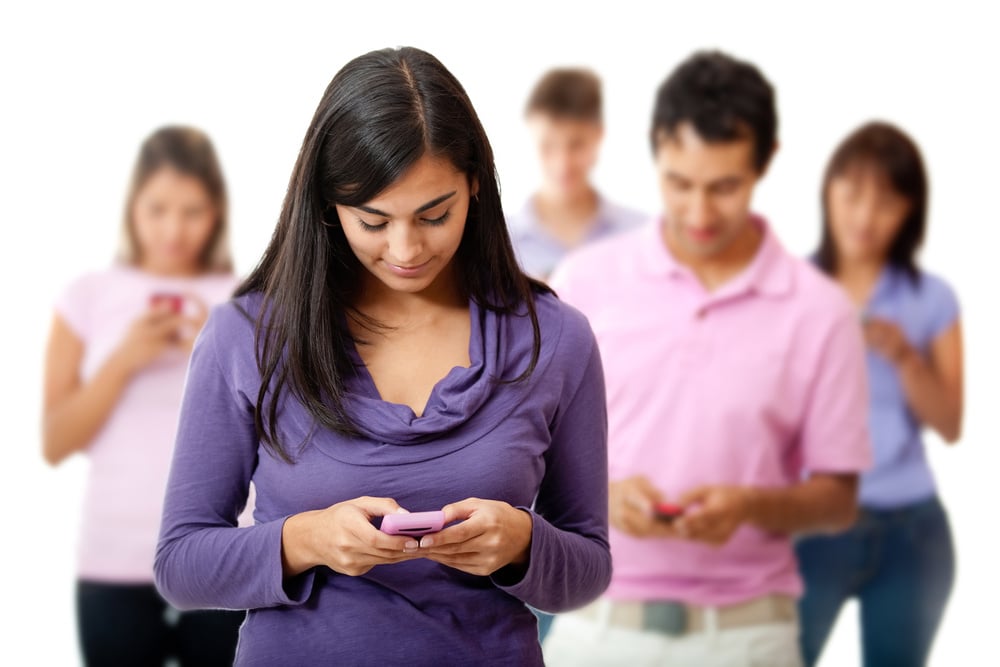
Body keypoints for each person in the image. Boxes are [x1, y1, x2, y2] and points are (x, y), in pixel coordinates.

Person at [153, 46, 611, 666]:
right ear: (327, 205)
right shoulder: (247, 337)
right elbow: (180, 564)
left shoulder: (555, 339)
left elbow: (589, 568)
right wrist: (305, 540)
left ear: (475, 183)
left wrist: (523, 542)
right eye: (373, 221)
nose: (406, 249)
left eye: (434, 214)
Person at [543, 51, 873, 667]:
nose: (698, 213)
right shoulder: (583, 281)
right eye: (679, 183)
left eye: (724, 187)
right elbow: (525, 454)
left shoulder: (820, 310)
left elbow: (838, 498)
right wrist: (601, 498)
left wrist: (750, 507)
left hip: (749, 638)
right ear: (654, 154)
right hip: (595, 630)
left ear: (766, 162)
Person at [42, 126, 245, 665]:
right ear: (132, 206)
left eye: (192, 211)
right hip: (113, 558)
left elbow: (283, 430)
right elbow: (56, 441)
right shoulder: (87, 297)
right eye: (157, 209)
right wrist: (124, 360)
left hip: (221, 555)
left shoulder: (244, 300)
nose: (173, 230)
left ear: (217, 212)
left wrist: (222, 344)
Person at [795, 122, 963, 667]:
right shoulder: (790, 286)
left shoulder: (931, 298)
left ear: (910, 211)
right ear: (828, 192)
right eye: (853, 194)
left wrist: (906, 357)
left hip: (910, 533)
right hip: (810, 526)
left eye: (886, 201)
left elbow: (951, 424)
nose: (866, 217)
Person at [507, 67, 645, 281]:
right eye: (548, 146)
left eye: (577, 145)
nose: (563, 164)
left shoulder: (640, 236)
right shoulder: (500, 243)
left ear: (598, 135)